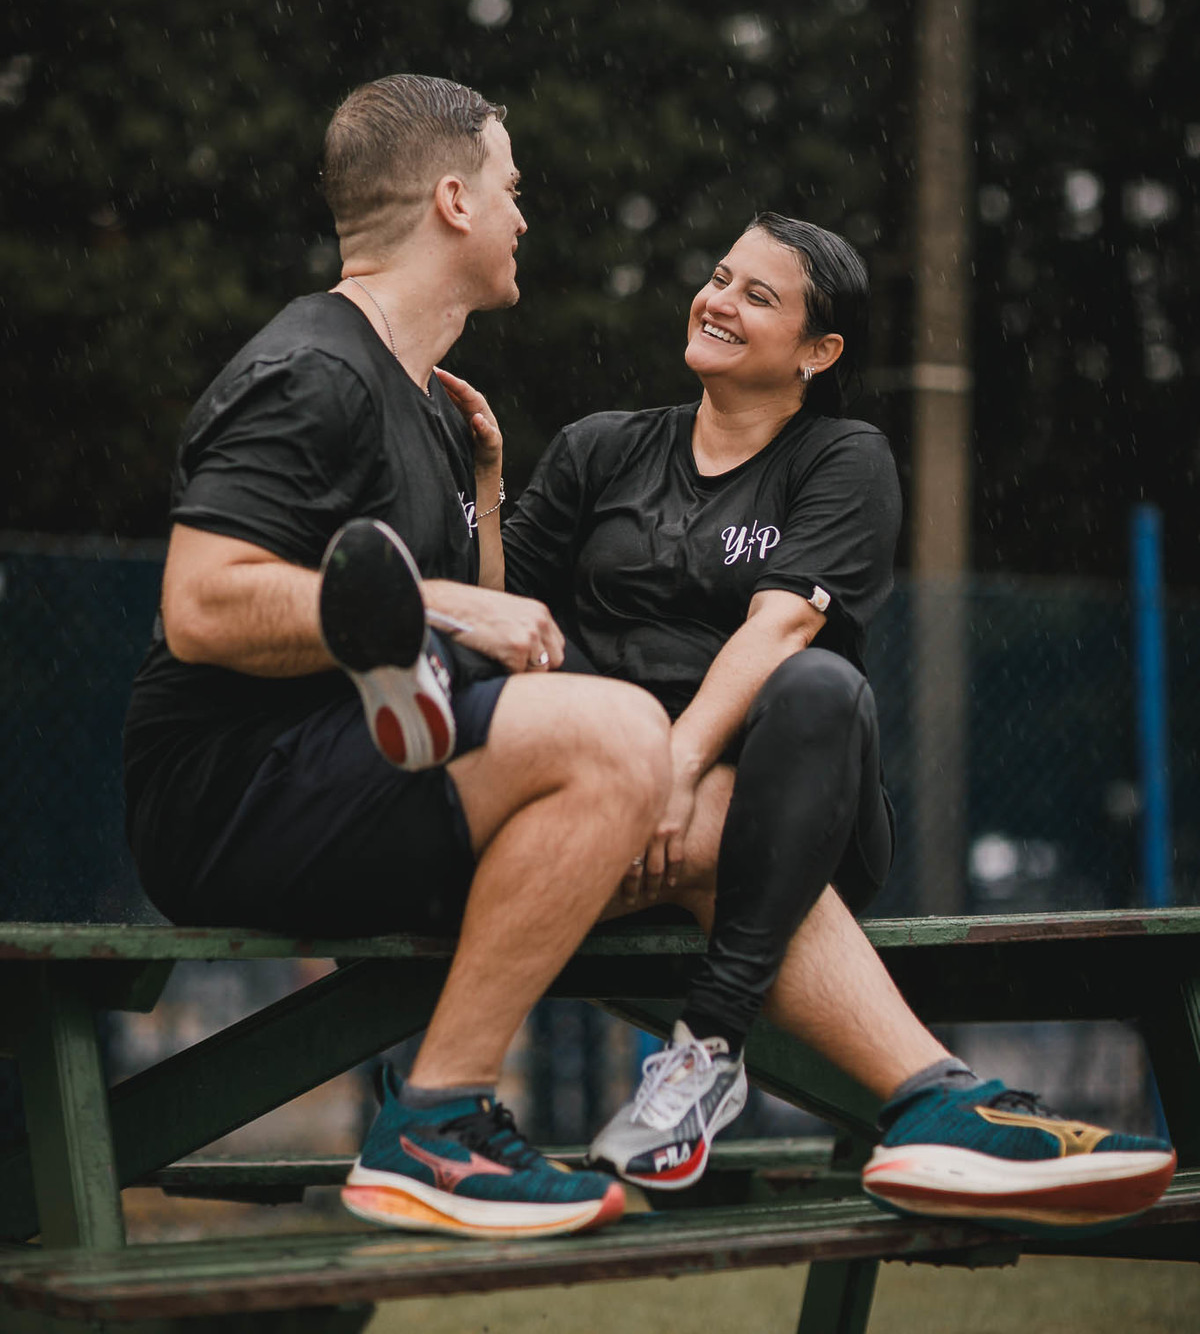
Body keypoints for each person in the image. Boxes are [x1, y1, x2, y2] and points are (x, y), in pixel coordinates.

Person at [502, 213, 1176, 1229]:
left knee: (821, 687)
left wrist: (667, 777)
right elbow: (497, 622)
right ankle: (944, 1108)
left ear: (820, 353)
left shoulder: (845, 458)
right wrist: (477, 480)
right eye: (721, 276)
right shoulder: (600, 450)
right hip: (611, 828)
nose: (719, 300)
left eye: (758, 296)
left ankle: (710, 1046)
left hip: (791, 813)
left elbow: (779, 634)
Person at [122, 72, 673, 1240]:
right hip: (234, 791)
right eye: (513, 190)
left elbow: (496, 660)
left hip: (358, 771)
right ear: (455, 200)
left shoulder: (422, 401)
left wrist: (483, 488)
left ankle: (919, 1102)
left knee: (714, 809)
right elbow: (201, 608)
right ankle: (436, 1119)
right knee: (620, 734)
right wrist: (444, 612)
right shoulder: (310, 370)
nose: (528, 217)